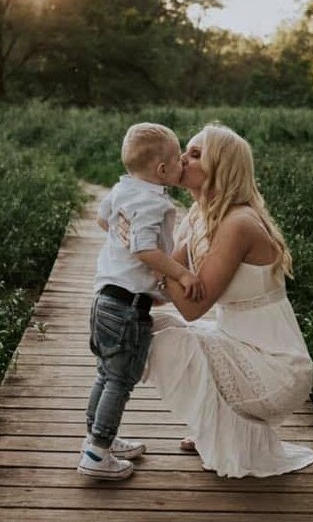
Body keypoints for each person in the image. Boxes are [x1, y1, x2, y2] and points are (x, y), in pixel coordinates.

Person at [144, 123, 313, 478]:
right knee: (146, 323)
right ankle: (108, 433)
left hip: (275, 367)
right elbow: (163, 288)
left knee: (171, 338)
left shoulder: (237, 223)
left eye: (195, 154)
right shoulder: (198, 216)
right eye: (185, 152)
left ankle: (220, 427)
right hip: (238, 344)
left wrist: (150, 258)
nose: (183, 159)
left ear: (221, 168)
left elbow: (192, 308)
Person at [77, 123, 205, 480]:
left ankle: (98, 437)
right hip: (127, 307)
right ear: (162, 171)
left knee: (106, 373)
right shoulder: (151, 202)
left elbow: (104, 220)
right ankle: (97, 452)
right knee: (120, 379)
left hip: (104, 298)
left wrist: (124, 234)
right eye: (178, 160)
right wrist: (181, 274)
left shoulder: (123, 188)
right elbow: (145, 247)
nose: (183, 163)